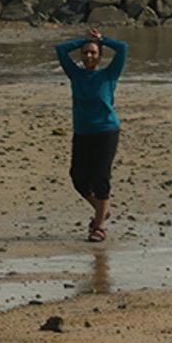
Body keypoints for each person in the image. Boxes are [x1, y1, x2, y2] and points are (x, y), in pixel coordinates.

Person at [54, 27, 128, 242]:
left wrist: (101, 39)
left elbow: (123, 48)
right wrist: (83, 41)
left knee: (100, 177)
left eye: (93, 53)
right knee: (78, 178)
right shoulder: (75, 74)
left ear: (99, 56)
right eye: (85, 53)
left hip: (106, 131)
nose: (88, 56)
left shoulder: (109, 74)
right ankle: (101, 209)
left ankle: (99, 226)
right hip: (82, 133)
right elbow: (60, 50)